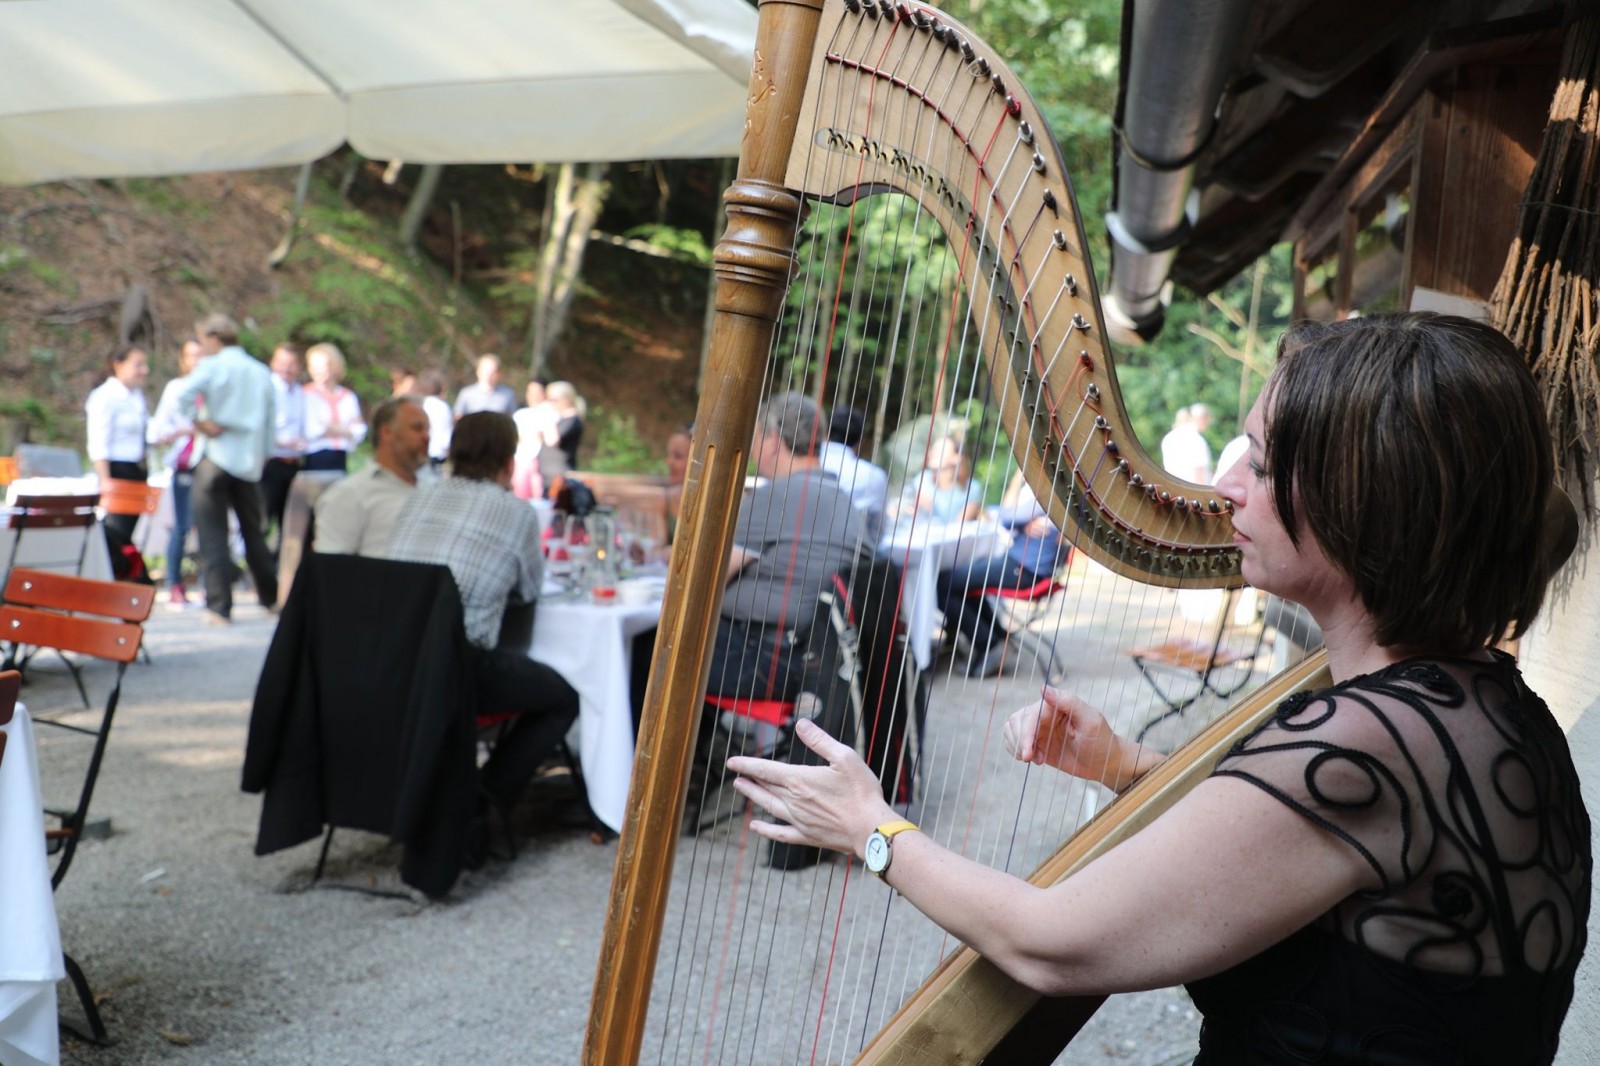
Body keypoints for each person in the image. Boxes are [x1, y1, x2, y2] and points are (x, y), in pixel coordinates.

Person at [727, 313, 1590, 1064]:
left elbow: (1050, 947)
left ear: (1366, 500)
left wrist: (867, 828)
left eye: (1258, 460)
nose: (1225, 486)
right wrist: (1122, 763)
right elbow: (1292, 851)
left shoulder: (1367, 744)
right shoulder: (1478, 701)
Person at [385, 412, 579, 815]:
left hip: (392, 658)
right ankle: (483, 800)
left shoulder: (420, 495)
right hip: (455, 668)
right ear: (509, 459)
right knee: (562, 697)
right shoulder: (516, 512)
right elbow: (527, 592)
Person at [710, 392, 863, 700]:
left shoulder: (774, 497)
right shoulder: (846, 500)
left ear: (773, 441)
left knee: (647, 646)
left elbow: (707, 579)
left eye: (755, 439)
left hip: (765, 662)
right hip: (821, 656)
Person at [175, 313, 279, 625]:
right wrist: (263, 455)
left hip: (216, 456)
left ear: (214, 338)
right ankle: (270, 597)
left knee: (213, 533)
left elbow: (183, 395)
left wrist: (198, 421)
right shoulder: (260, 371)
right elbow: (271, 422)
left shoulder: (213, 365)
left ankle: (220, 606)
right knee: (254, 532)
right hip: (248, 460)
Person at [936, 470, 1064, 679]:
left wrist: (1015, 481)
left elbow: (1004, 517)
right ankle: (994, 638)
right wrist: (1021, 519)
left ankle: (988, 643)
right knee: (963, 580)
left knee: (943, 584)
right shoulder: (1046, 492)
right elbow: (1005, 515)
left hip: (1023, 570)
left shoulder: (1048, 492)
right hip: (1020, 565)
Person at [312, 398, 430, 556]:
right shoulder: (350, 493)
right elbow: (330, 568)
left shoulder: (433, 489)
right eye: (417, 428)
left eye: (428, 430)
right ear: (387, 432)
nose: (426, 437)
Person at [147, 339, 205, 604]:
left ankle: (208, 583)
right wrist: (183, 432)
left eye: (201, 356)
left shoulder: (214, 387)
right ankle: (175, 583)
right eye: (191, 356)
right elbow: (159, 429)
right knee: (182, 525)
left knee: (208, 526)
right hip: (184, 461)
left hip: (210, 463)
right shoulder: (176, 389)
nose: (196, 361)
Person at [84, 343, 150, 542]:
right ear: (118, 365)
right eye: (138, 365)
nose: (144, 371)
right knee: (117, 531)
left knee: (128, 531)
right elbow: (98, 441)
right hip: (116, 470)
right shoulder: (105, 396)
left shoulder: (136, 396)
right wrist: (105, 481)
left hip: (136, 469)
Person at [260, 342, 307, 551]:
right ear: (273, 364)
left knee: (290, 524)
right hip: (271, 462)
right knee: (263, 519)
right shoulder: (266, 389)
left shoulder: (300, 392)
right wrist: (281, 442)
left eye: (291, 364)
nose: (286, 369)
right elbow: (258, 427)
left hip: (295, 464)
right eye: (282, 363)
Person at [818, 406, 889, 541]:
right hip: (853, 556)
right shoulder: (874, 475)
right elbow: (877, 534)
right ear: (860, 441)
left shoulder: (799, 465)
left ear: (824, 433)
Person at [301, 343, 365, 472]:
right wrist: (343, 429)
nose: (318, 370)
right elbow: (311, 430)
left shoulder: (348, 396)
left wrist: (329, 427)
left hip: (341, 456)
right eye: (313, 366)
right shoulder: (305, 395)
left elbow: (359, 431)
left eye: (323, 365)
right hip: (315, 456)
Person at [907, 435, 982, 523]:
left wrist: (931, 508)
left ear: (956, 458)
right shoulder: (921, 480)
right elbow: (912, 516)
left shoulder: (972, 488)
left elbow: (959, 527)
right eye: (934, 449)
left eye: (941, 450)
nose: (934, 453)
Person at [536, 380, 585, 488]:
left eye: (553, 400)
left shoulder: (572, 420)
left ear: (566, 400)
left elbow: (552, 440)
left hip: (560, 475)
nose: (550, 403)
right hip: (546, 475)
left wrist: (548, 417)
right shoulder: (559, 419)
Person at [511, 377, 553, 501]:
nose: (533, 396)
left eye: (537, 392)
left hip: (543, 465)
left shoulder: (550, 413)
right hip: (521, 462)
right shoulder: (520, 415)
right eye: (530, 392)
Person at [1160, 402, 1213, 483]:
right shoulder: (1196, 439)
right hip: (1192, 491)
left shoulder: (1168, 438)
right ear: (1202, 419)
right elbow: (1199, 472)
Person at [416, 369, 454, 468]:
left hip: (423, 452)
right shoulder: (442, 407)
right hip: (438, 453)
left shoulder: (420, 404)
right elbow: (446, 433)